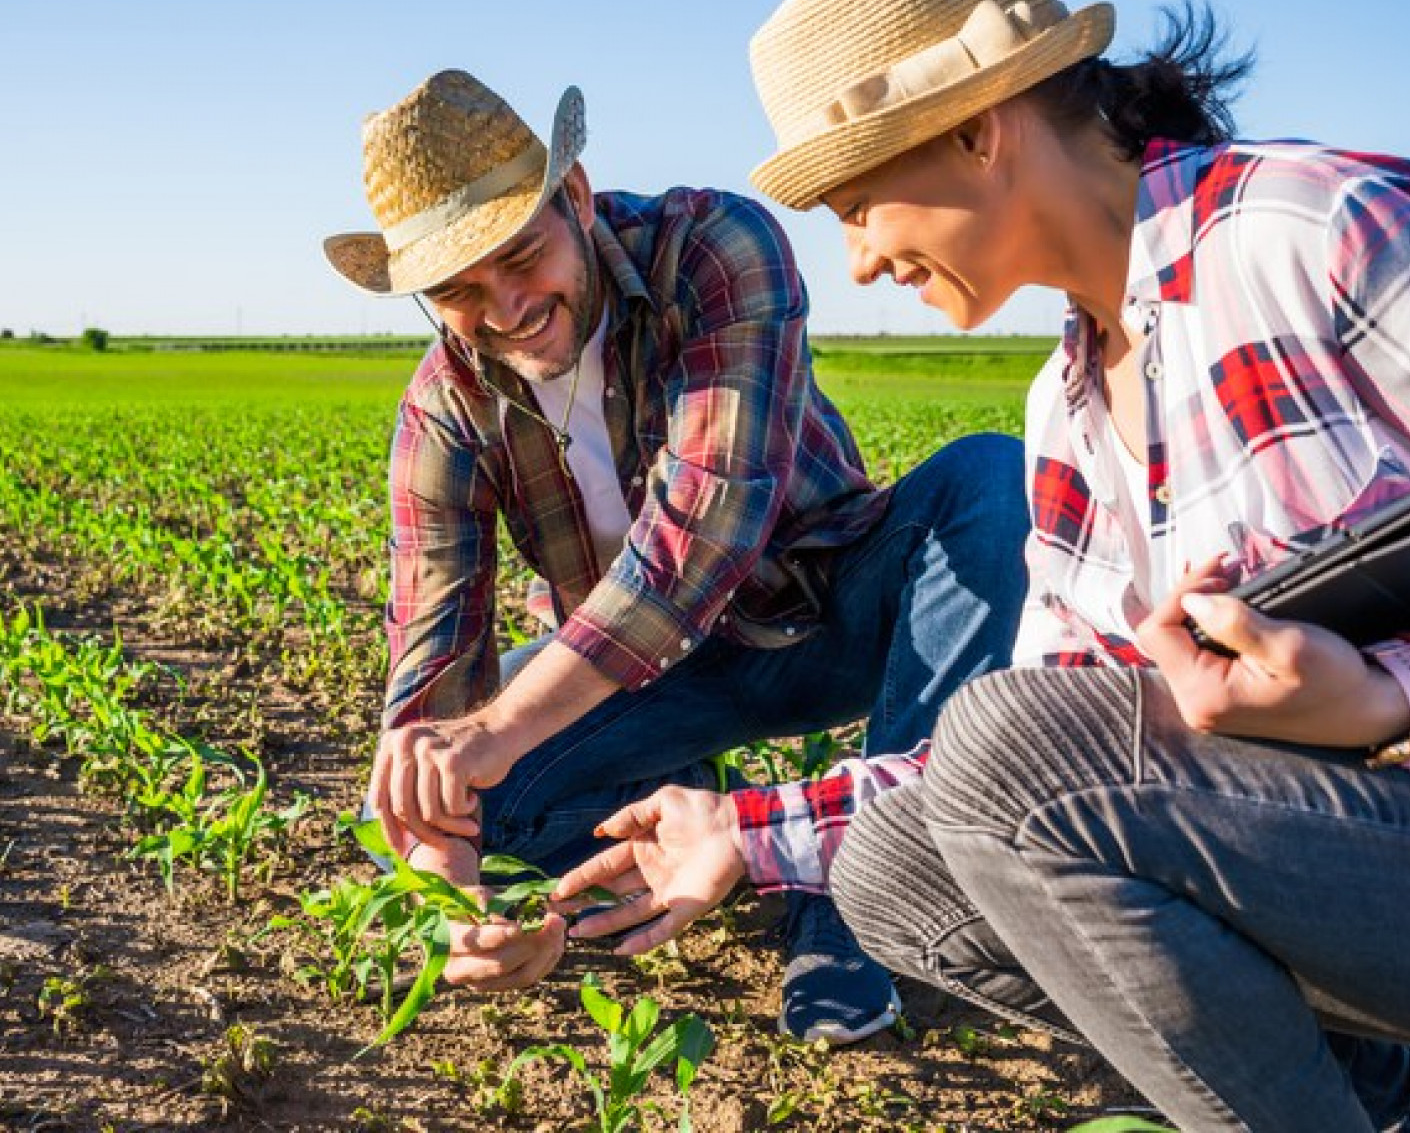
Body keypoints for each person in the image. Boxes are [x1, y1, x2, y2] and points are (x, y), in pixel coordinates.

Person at [555, 0, 1410, 1131]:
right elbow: (1040, 745)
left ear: (979, 128)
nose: (863, 260)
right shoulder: (1069, 404)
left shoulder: (1313, 230)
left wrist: (1388, 689)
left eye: (856, 203)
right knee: (900, 876)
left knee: (1003, 750)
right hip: (1386, 877)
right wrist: (745, 828)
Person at [321, 68, 1029, 1040]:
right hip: (638, 683)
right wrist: (459, 891)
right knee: (435, 805)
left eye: (522, 256)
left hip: (824, 615)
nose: (507, 306)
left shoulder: (712, 248)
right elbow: (431, 651)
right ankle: (702, 830)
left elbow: (699, 539)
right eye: (458, 291)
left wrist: (490, 736)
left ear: (573, 195)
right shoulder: (445, 404)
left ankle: (852, 899)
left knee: (991, 479)